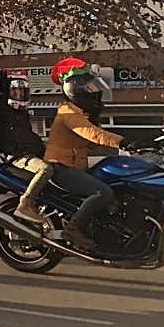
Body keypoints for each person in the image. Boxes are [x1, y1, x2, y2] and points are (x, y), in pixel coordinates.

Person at [44, 57, 126, 250]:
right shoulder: (67, 112)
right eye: (89, 90)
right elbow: (90, 133)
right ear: (76, 91)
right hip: (60, 167)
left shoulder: (81, 113)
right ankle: (74, 229)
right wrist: (122, 140)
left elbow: (91, 142)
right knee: (103, 192)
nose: (94, 94)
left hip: (76, 165)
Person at [0, 70, 52, 225]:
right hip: (17, 156)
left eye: (23, 91)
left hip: (29, 154)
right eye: (15, 91)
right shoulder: (3, 112)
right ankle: (25, 204)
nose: (20, 95)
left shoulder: (23, 114)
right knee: (45, 169)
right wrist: (1, 90)